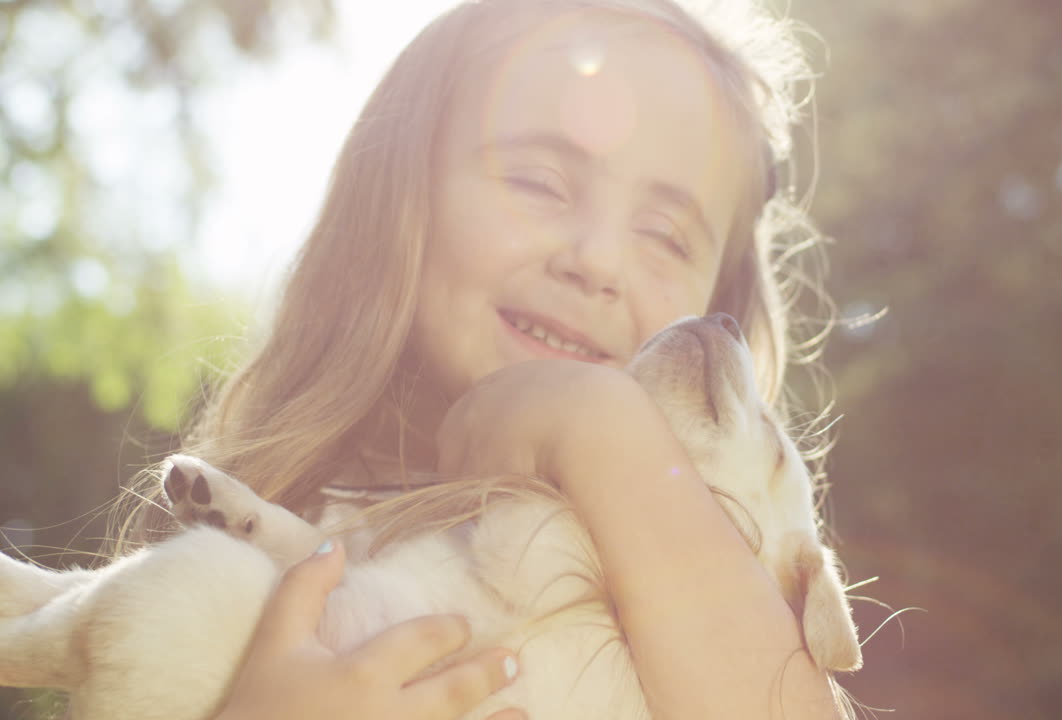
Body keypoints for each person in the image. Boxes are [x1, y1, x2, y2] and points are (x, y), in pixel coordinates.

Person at [114, 0, 849, 718]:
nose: (597, 259)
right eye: (537, 182)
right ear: (402, 198)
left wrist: (595, 428)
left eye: (665, 234)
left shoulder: (738, 567)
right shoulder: (262, 537)